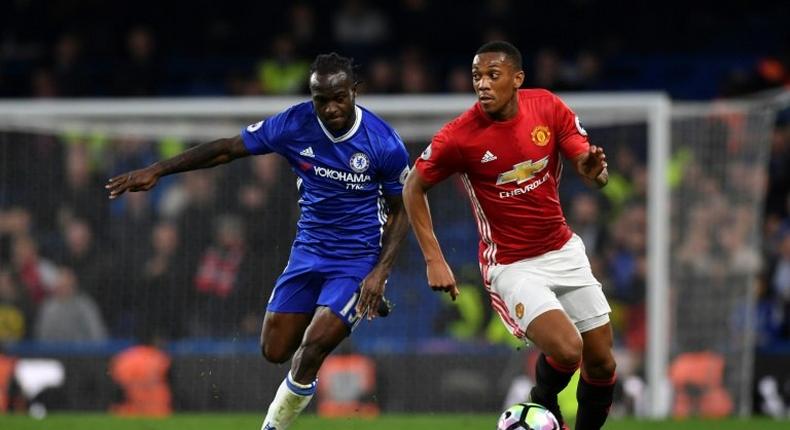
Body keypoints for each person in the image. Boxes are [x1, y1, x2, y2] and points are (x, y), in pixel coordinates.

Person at [106, 53, 411, 430]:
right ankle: (346, 308)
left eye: (339, 97)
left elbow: (403, 209)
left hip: (357, 258)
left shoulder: (384, 143)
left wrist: (379, 271)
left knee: (312, 347)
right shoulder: (295, 123)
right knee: (275, 350)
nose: (331, 108)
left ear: (354, 92)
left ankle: (272, 425)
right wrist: (158, 170)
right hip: (309, 251)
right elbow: (227, 149)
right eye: (322, 99)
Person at [403, 41, 616, 430]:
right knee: (568, 350)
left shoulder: (547, 107)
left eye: (492, 76)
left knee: (602, 361)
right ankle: (540, 405)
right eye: (476, 77)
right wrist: (434, 257)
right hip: (512, 264)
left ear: (517, 79)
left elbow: (593, 171)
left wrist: (593, 170)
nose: (482, 84)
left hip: (563, 249)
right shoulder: (460, 136)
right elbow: (412, 186)